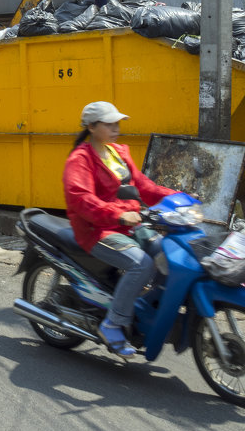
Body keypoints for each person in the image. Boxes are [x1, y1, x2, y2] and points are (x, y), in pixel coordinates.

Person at [62, 101, 178, 359]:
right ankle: (112, 323)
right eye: (109, 123)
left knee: (168, 252)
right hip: (97, 230)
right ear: (92, 127)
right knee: (142, 264)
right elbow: (81, 199)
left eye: (117, 123)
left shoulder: (117, 152)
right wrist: (118, 214)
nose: (116, 128)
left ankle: (147, 308)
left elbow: (144, 186)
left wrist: (178, 198)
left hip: (130, 225)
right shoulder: (80, 160)